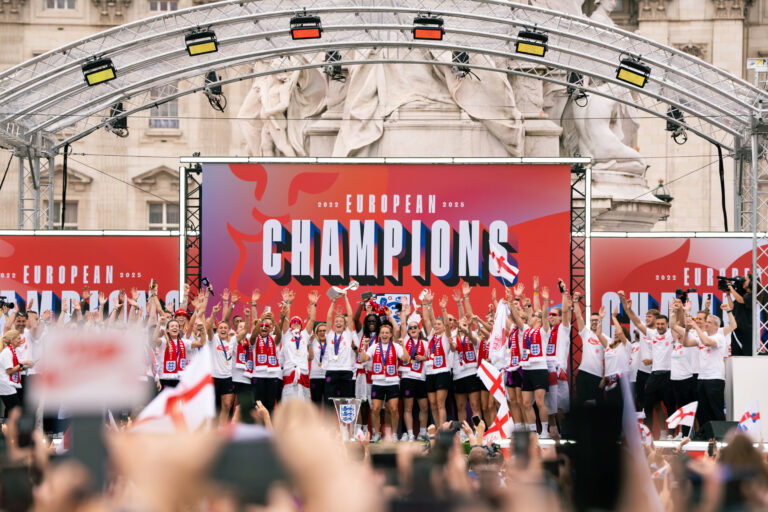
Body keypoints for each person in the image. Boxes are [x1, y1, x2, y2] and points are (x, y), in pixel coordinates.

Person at [620, 291, 674, 438]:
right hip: (647, 373)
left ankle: (667, 433)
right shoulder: (649, 332)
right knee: (646, 405)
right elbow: (636, 321)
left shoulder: (669, 333)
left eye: (650, 317)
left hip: (664, 372)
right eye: (646, 317)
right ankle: (647, 433)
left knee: (664, 406)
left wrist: (653, 360)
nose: (646, 319)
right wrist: (627, 307)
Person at [359, 323, 410, 441]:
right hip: (378, 382)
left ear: (391, 335)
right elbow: (363, 359)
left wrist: (403, 346)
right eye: (382, 333)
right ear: (379, 335)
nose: (384, 334)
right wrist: (364, 347)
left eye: (387, 332)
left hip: (392, 382)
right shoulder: (374, 346)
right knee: (375, 409)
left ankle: (394, 435)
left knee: (393, 409)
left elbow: (406, 359)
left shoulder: (396, 346)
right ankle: (377, 434)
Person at [518, 277, 552, 437]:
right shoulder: (527, 330)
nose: (529, 317)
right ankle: (532, 431)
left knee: (539, 402)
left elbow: (544, 316)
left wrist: (544, 302)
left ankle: (544, 430)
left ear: (537, 319)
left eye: (532, 316)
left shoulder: (544, 331)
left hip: (539, 368)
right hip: (527, 368)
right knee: (526, 403)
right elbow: (518, 317)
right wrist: (516, 299)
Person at [398, 300, 429, 441]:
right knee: (408, 408)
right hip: (408, 377)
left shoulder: (426, 343)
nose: (412, 329)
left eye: (415, 327)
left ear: (419, 328)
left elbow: (432, 359)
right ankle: (410, 434)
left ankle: (422, 433)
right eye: (411, 328)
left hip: (421, 378)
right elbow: (403, 324)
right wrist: (404, 307)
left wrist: (424, 358)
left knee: (424, 407)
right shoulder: (405, 340)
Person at [422, 291, 453, 427]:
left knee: (441, 404)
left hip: (442, 372)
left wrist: (443, 309)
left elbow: (447, 325)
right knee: (433, 404)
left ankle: (442, 430)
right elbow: (427, 319)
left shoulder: (445, 337)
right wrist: (427, 303)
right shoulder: (431, 337)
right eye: (436, 324)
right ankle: (437, 429)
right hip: (430, 373)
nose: (436, 326)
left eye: (439, 324)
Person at [280, 289, 317, 401]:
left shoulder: (305, 335)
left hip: (303, 372)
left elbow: (313, 319)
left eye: (298, 323)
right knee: (289, 403)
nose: (295, 324)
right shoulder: (286, 335)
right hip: (289, 371)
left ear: (301, 326)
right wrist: (288, 303)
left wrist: (313, 304)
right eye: (293, 322)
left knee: (303, 403)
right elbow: (285, 319)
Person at [322, 291, 358, 408]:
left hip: (346, 371)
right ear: (333, 324)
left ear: (344, 324)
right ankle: (329, 426)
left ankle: (345, 426)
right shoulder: (330, 334)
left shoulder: (348, 334)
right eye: (336, 321)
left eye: (341, 321)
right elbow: (328, 317)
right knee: (328, 402)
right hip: (331, 371)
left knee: (346, 402)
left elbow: (351, 315)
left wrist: (345, 297)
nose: (338, 322)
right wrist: (333, 301)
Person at [572, 293, 605, 406]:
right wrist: (575, 301)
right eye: (592, 320)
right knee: (582, 404)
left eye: (597, 320)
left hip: (597, 376)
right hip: (582, 373)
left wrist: (604, 379)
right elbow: (578, 316)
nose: (594, 322)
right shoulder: (586, 333)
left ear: (601, 321)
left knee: (597, 406)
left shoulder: (606, 338)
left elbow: (611, 360)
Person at [601, 307, 630, 406]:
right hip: (609, 380)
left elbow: (620, 332)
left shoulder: (626, 345)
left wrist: (614, 317)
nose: (616, 334)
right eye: (615, 333)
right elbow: (598, 334)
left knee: (620, 407)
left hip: (620, 380)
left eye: (618, 333)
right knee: (611, 409)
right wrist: (601, 319)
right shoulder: (609, 344)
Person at [0, 330, 30, 415]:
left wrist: (25, 366)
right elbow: (9, 371)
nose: (20, 340)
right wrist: (22, 364)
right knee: (16, 411)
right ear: (12, 340)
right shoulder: (7, 352)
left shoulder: (11, 351)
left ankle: (6, 427)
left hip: (7, 385)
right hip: (5, 386)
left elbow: (15, 367)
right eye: (18, 338)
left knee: (11, 411)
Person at [728, 274, 753, 355]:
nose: (743, 282)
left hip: (746, 331)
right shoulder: (741, 294)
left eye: (745, 280)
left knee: (747, 355)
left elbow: (741, 300)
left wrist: (731, 288)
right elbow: (732, 306)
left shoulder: (752, 295)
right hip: (736, 329)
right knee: (735, 354)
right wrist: (728, 294)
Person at [308, 322, 328, 406]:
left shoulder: (332, 342)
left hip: (328, 376)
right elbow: (310, 357)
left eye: (324, 331)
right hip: (315, 376)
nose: (322, 332)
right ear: (316, 332)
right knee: (316, 404)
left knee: (328, 404)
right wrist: (310, 343)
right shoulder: (313, 341)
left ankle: (328, 419)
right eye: (320, 331)